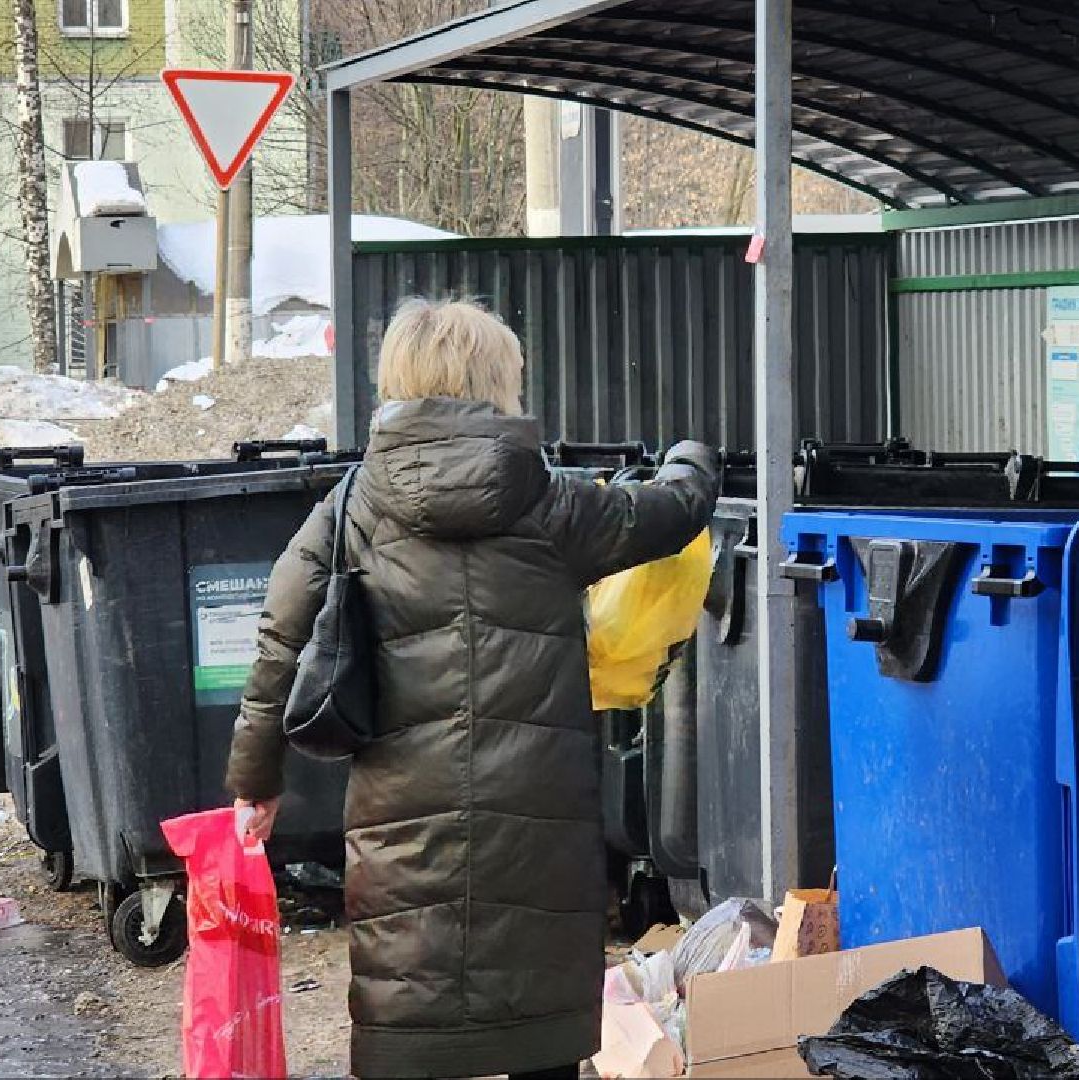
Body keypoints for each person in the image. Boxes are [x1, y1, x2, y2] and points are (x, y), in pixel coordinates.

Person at [224, 297, 718, 1080]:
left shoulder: (351, 504)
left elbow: (278, 642)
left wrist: (256, 781)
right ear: (496, 383)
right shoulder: (552, 502)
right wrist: (693, 458)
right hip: (538, 804)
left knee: (409, 987)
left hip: (401, 803)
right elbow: (671, 513)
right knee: (537, 1008)